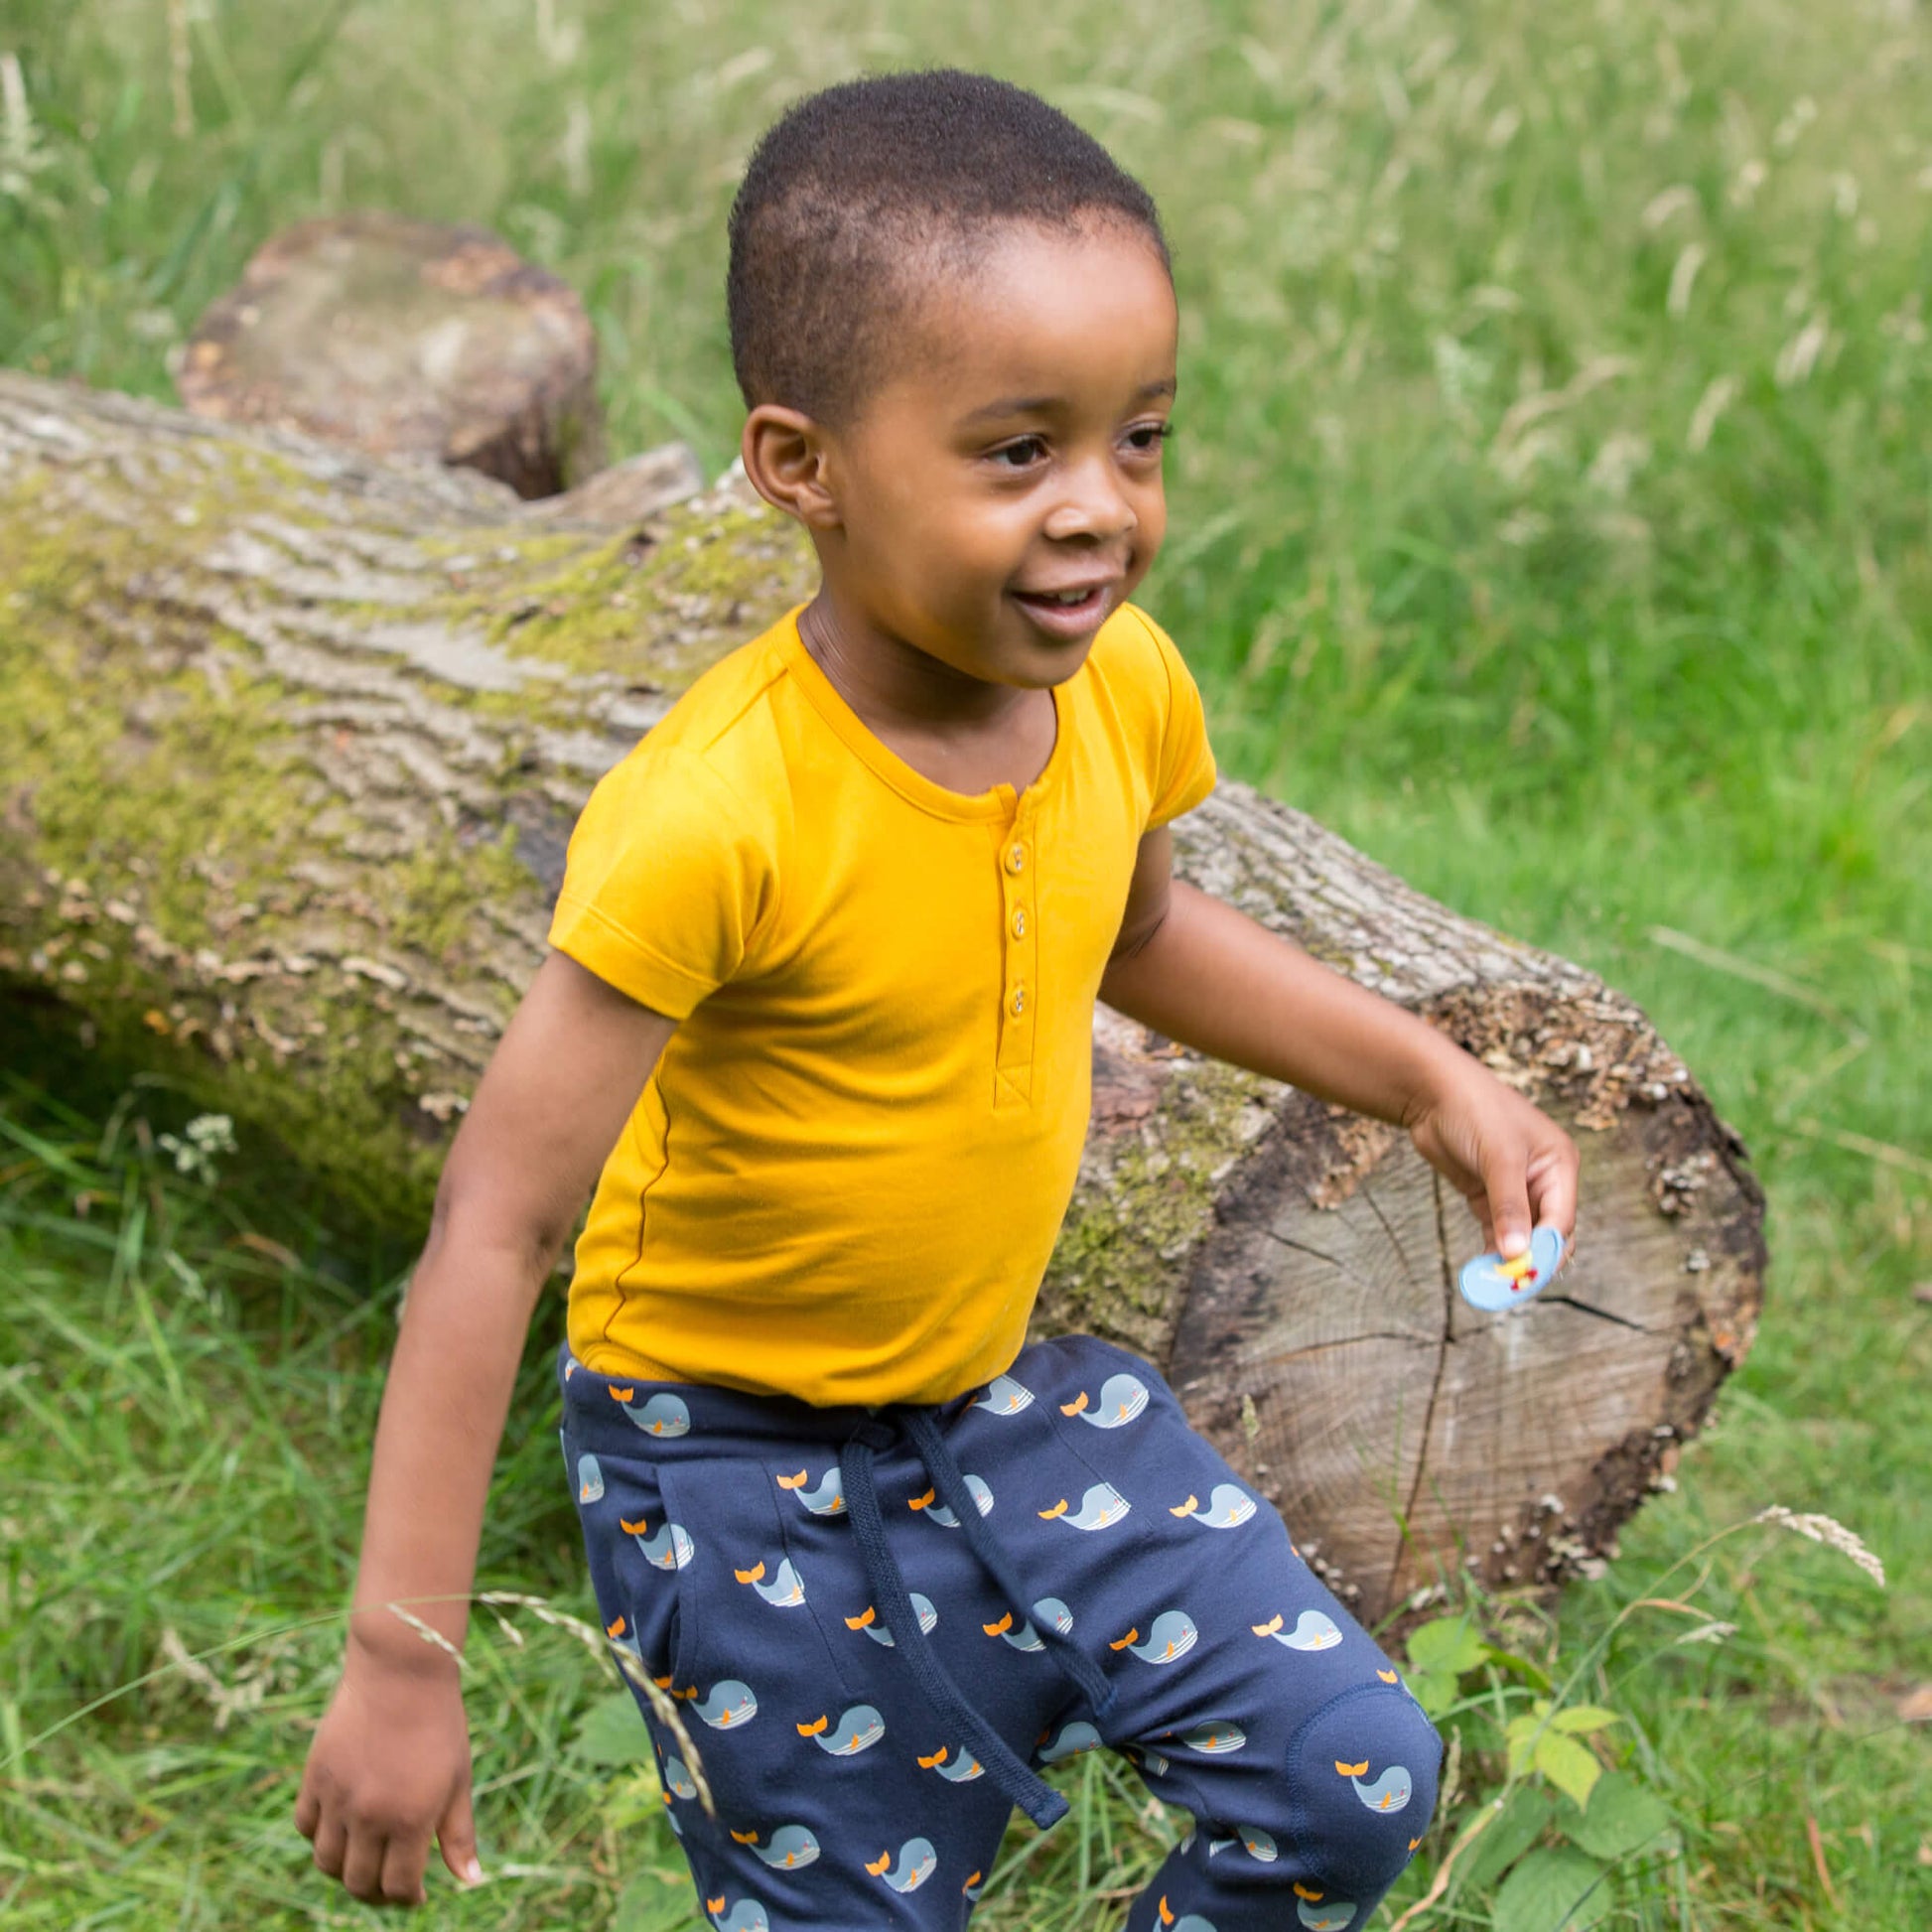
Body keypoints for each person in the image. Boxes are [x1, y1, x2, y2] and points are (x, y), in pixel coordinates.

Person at [296, 69, 1578, 1929]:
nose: (1100, 513)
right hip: (721, 1459)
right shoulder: (716, 811)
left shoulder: (1118, 689)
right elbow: (496, 1222)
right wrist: (402, 1655)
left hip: (999, 1391)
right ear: (797, 463)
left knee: (1347, 1773)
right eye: (1014, 452)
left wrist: (1429, 1079)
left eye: (1137, 439)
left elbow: (1140, 939)